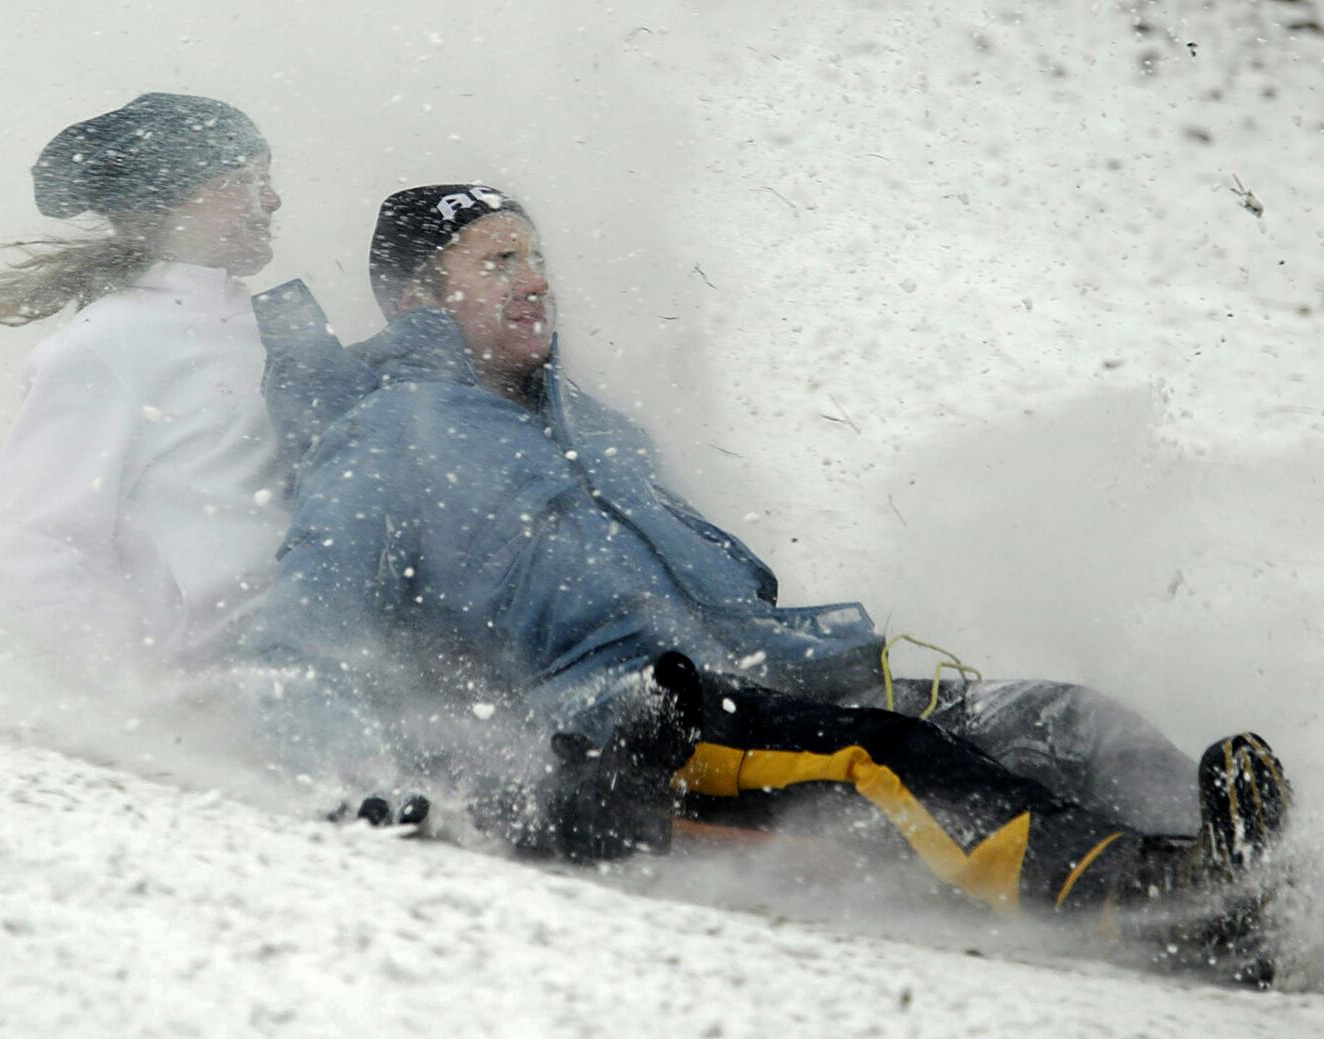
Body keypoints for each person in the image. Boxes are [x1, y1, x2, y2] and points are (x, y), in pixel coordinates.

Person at [243, 183, 1295, 984]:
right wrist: (354, 779)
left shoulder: (598, 430)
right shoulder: (386, 438)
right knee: (882, 757)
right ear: (417, 296)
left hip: (767, 670)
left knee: (1056, 717)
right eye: (499, 259)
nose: (535, 280)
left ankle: (1243, 886)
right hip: (629, 725)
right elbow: (300, 640)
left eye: (538, 256)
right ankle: (1143, 906)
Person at [0, 93, 290, 673]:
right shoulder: (106, 345)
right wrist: (119, 702)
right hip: (195, 689)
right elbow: (45, 543)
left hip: (290, 665)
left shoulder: (268, 325)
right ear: (172, 203)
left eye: (267, 177)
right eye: (244, 179)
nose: (272, 198)